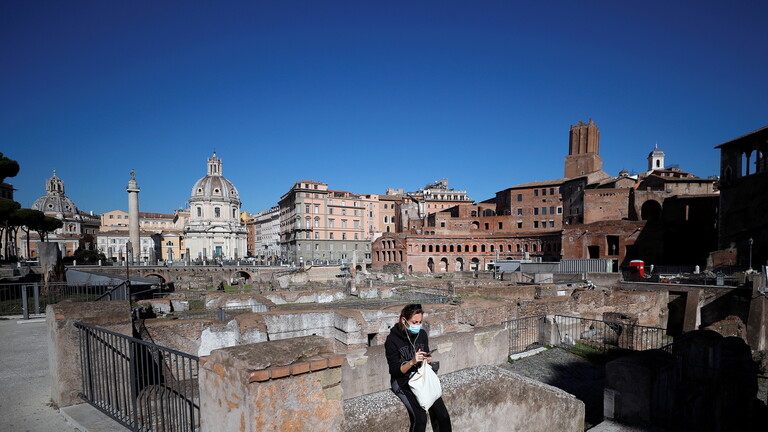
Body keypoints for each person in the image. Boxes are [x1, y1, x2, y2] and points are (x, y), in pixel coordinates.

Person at [385, 303, 452, 432]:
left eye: (420, 322)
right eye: (414, 322)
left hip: (422, 377)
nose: (418, 325)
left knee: (443, 415)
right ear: (404, 320)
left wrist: (427, 359)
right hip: (402, 381)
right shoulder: (392, 340)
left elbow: (425, 355)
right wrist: (412, 362)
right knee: (420, 418)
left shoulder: (422, 335)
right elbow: (394, 371)